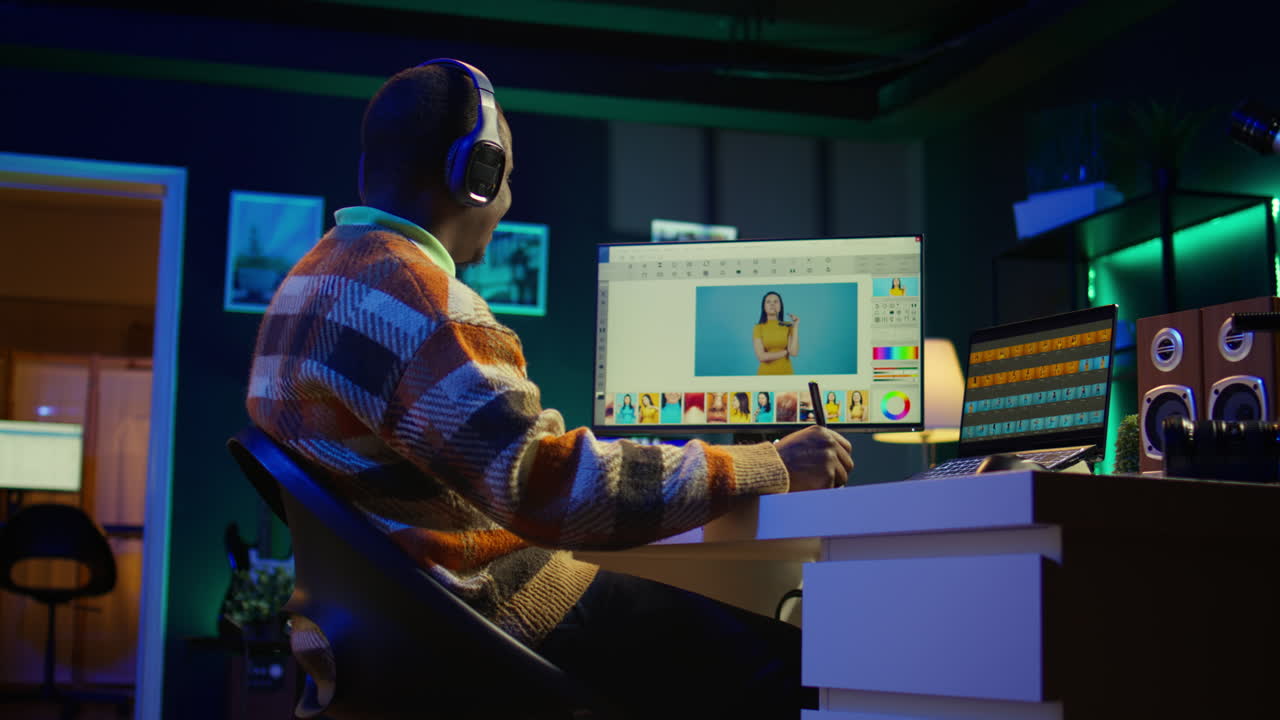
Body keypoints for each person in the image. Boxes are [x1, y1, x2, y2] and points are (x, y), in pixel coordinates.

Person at [245, 59, 853, 719]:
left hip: (391, 637)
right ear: (475, 176)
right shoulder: (425, 304)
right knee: (804, 665)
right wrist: (769, 463)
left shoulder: (306, 284)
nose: (507, 198)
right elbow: (556, 488)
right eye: (505, 175)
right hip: (493, 623)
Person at [753, 291, 799, 375]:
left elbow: (793, 352)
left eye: (776, 301)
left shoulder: (788, 326)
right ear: (764, 307)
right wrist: (785, 352)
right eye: (768, 302)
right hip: (765, 374)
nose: (772, 304)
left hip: (786, 373)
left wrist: (795, 326)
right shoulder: (758, 327)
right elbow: (761, 357)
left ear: (780, 306)